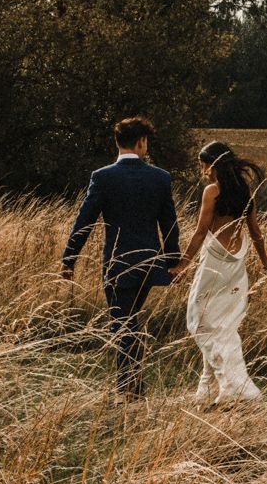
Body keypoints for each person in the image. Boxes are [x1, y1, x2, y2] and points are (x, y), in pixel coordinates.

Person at [61, 117, 180, 402]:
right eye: (146, 142)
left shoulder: (102, 177)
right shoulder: (160, 177)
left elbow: (84, 221)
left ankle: (130, 391)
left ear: (118, 142)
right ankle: (132, 386)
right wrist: (173, 261)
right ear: (140, 142)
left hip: (117, 264)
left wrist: (69, 258)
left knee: (123, 323)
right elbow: (170, 223)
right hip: (150, 264)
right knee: (130, 321)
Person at [169, 141, 267, 406]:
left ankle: (236, 387)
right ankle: (207, 389)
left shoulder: (212, 191)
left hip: (214, 263)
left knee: (199, 321)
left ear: (214, 164)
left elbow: (200, 232)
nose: (202, 169)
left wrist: (182, 264)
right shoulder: (245, 192)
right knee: (223, 325)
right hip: (236, 267)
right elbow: (256, 233)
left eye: (203, 163)